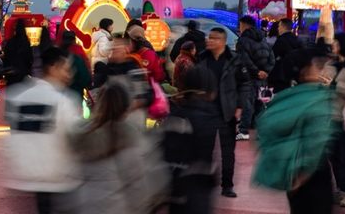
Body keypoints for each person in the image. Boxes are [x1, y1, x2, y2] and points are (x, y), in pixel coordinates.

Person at [254, 46, 337, 214]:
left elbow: (265, 129)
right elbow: (316, 143)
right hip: (312, 176)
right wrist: (301, 178)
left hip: (290, 173)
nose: (323, 70)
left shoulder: (287, 97)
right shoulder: (316, 99)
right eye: (318, 66)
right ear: (305, 72)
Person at [5, 47, 81, 214]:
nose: (69, 75)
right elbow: (76, 138)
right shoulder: (63, 101)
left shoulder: (17, 96)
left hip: (24, 180)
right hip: (57, 181)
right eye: (66, 69)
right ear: (53, 68)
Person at [72, 81, 154, 213]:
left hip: (86, 206)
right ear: (125, 109)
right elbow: (137, 187)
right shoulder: (126, 138)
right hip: (116, 208)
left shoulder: (82, 136)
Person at [163, 65, 222, 214]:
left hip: (180, 193)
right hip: (200, 193)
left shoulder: (178, 117)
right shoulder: (211, 116)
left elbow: (168, 157)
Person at [197, 27, 247, 198]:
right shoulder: (202, 58)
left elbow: (245, 84)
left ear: (223, 41)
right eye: (209, 37)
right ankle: (204, 183)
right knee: (204, 149)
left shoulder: (234, 60)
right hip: (205, 111)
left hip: (227, 111)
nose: (209, 40)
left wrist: (239, 106)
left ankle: (227, 185)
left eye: (214, 38)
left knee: (227, 151)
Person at [235, 15, 274, 140]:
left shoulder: (243, 40)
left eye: (240, 25)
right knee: (262, 104)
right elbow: (271, 58)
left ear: (244, 25)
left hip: (249, 77)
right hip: (263, 78)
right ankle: (261, 131)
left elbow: (244, 59)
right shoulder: (263, 39)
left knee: (248, 104)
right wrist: (265, 71)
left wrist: (256, 72)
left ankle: (243, 131)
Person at [329, 33, 345, 208]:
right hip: (331, 117)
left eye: (336, 43)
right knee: (333, 156)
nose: (333, 46)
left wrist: (336, 85)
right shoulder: (331, 64)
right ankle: (340, 188)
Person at [59, 30, 91, 105]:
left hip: (61, 92)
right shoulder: (78, 51)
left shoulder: (58, 52)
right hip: (76, 92)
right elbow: (85, 75)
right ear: (74, 39)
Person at [3, 19, 33, 86]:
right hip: (23, 73)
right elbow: (29, 58)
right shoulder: (26, 42)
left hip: (11, 73)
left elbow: (6, 57)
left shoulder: (10, 42)